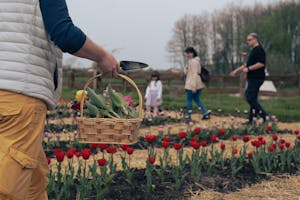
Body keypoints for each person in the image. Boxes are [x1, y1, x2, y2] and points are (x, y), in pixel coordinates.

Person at [0, 0, 118, 199]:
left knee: (34, 183)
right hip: (19, 92)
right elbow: (63, 33)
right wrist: (103, 56)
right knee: (8, 186)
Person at [230, 33, 268, 124]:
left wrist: (249, 69)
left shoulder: (259, 50)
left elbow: (261, 63)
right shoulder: (253, 50)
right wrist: (236, 71)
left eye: (249, 40)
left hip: (257, 78)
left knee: (249, 97)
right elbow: (247, 64)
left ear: (255, 39)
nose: (248, 42)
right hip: (252, 78)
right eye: (247, 40)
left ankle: (264, 115)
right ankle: (252, 120)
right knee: (253, 98)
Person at [184, 47, 211, 121]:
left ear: (193, 53)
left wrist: (193, 86)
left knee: (189, 99)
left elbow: (194, 74)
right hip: (198, 83)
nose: (188, 55)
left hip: (192, 83)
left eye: (189, 53)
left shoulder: (193, 62)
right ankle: (205, 113)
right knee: (196, 99)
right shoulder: (196, 61)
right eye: (187, 53)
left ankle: (188, 115)